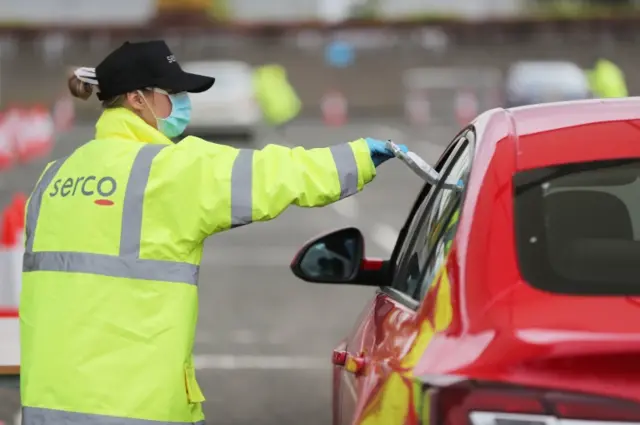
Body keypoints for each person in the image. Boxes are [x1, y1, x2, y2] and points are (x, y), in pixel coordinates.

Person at [19, 40, 407, 425]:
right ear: (137, 100)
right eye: (173, 93)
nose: (182, 103)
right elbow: (274, 175)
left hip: (47, 406)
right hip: (132, 408)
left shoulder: (52, 177)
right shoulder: (166, 171)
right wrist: (358, 156)